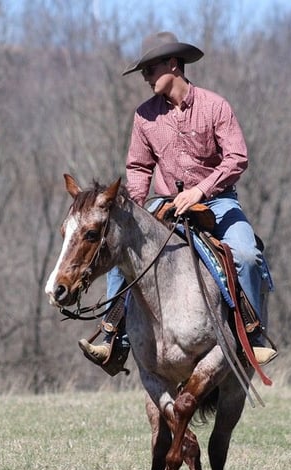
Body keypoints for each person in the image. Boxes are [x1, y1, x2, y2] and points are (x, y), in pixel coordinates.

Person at [79, 31, 277, 367]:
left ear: (173, 64)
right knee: (119, 244)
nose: (145, 76)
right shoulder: (144, 116)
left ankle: (250, 334)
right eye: (144, 70)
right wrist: (134, 211)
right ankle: (115, 336)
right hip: (164, 202)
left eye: (150, 68)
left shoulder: (215, 106)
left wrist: (200, 190)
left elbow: (237, 158)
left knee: (244, 254)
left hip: (217, 201)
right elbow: (139, 167)